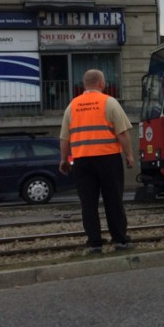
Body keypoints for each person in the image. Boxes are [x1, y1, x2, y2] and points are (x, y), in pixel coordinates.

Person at [59, 69, 135, 253]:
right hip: (108, 159)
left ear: (84, 85)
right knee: (113, 200)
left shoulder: (72, 106)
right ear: (102, 83)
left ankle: (94, 243)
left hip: (82, 161)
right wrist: (129, 155)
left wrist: (63, 160)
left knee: (88, 203)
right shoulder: (109, 102)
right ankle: (120, 240)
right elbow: (122, 133)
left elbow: (64, 138)